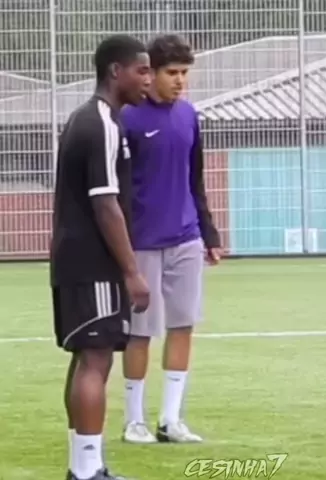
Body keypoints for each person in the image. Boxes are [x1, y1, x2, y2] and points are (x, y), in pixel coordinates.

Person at [50, 34, 152, 480]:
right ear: (116, 71)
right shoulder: (101, 123)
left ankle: (83, 466)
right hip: (94, 264)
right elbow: (106, 203)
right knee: (96, 360)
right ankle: (89, 470)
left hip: (73, 261)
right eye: (142, 70)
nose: (147, 79)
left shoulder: (85, 118)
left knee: (85, 359)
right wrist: (131, 271)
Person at [120, 33, 222, 444]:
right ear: (151, 73)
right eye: (172, 73)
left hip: (186, 239)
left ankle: (170, 420)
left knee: (183, 326)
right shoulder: (127, 118)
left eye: (184, 73)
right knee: (140, 332)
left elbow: (195, 178)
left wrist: (209, 232)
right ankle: (134, 421)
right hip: (142, 242)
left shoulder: (189, 115)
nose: (180, 81)